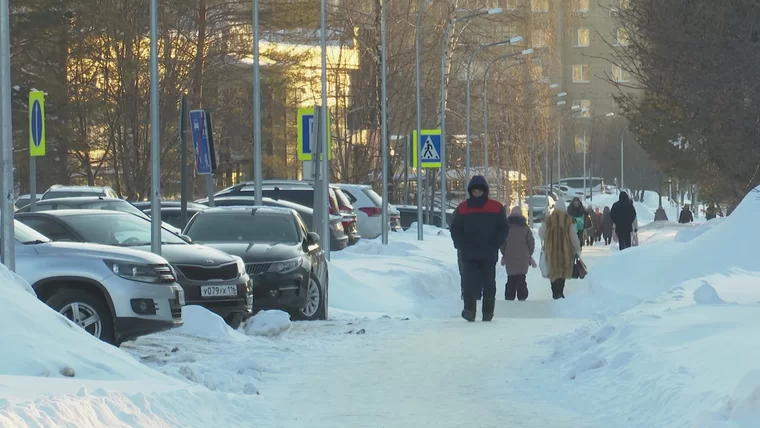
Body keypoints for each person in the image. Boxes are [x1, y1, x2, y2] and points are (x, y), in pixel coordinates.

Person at [450, 175, 509, 322]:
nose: (477, 194)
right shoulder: (463, 208)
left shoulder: (496, 207)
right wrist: (460, 244)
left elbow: (504, 228)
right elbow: (455, 227)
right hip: (469, 253)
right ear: (471, 191)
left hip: (488, 253)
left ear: (485, 191)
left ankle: (488, 312)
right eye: (475, 191)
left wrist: (496, 242)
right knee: (469, 282)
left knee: (489, 283)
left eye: (480, 191)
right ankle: (469, 310)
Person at [539, 202, 582, 299]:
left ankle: (555, 291)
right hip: (565, 250)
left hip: (551, 250)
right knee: (562, 271)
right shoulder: (569, 220)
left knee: (553, 271)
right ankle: (560, 292)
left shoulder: (548, 219)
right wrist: (577, 248)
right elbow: (573, 236)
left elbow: (542, 234)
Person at [500, 206, 535, 301]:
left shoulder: (506, 228)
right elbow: (531, 242)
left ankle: (509, 295)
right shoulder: (525, 228)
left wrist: (504, 253)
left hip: (509, 256)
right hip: (523, 257)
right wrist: (529, 253)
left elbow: (502, 243)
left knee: (511, 278)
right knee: (521, 277)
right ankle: (522, 295)